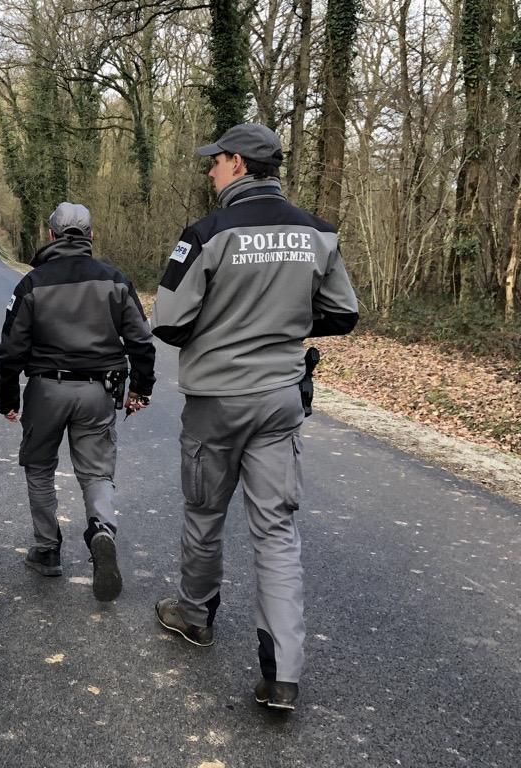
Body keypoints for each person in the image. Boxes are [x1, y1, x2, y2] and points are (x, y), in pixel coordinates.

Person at [150, 123, 359, 711]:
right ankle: (282, 674)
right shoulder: (318, 233)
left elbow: (167, 321)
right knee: (276, 530)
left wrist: (224, 323)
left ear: (238, 164)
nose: (209, 171)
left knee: (205, 513)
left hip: (216, 402)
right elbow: (343, 313)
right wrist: (281, 323)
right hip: (279, 400)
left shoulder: (206, 233)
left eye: (214, 162)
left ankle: (195, 616)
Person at [0, 202, 156, 602]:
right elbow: (141, 340)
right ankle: (101, 529)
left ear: (50, 236)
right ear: (90, 236)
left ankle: (47, 549)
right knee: (97, 472)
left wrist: (7, 394)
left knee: (38, 467)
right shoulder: (115, 280)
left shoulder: (32, 284)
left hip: (46, 389)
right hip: (98, 391)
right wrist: (140, 388)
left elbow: (12, 347)